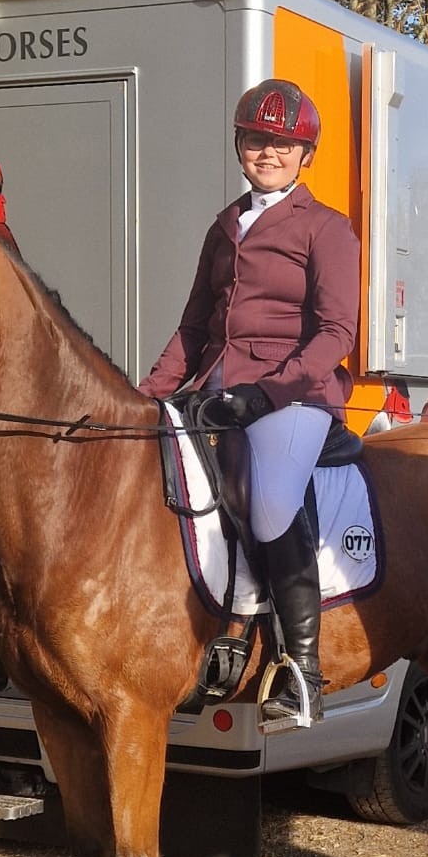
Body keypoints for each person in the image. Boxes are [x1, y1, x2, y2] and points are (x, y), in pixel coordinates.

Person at [140, 80, 360, 722]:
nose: (268, 152)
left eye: (282, 144)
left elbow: (336, 333)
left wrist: (267, 394)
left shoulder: (327, 228)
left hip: (294, 395)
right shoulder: (225, 224)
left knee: (268, 505)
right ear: (240, 144)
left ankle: (303, 673)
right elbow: (192, 327)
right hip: (215, 387)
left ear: (304, 155)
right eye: (257, 140)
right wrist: (142, 397)